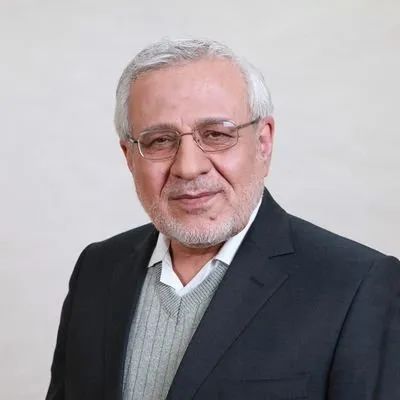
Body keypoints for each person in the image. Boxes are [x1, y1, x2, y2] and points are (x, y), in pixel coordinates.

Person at [46, 38, 400, 400]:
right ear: (129, 157)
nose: (188, 167)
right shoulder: (97, 270)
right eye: (160, 141)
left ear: (263, 143)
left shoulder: (357, 286)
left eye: (216, 134)